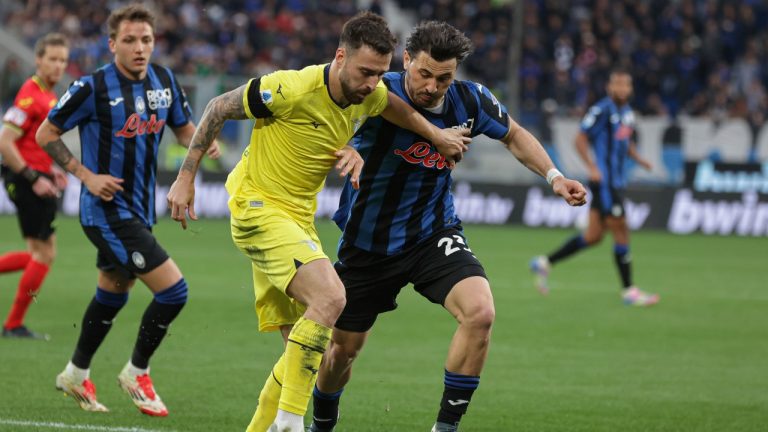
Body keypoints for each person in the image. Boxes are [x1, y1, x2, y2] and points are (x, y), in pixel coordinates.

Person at [166, 12, 471, 432]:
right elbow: (218, 107)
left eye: (380, 74)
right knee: (332, 297)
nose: (371, 83)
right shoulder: (288, 88)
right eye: (365, 71)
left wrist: (435, 136)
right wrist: (185, 178)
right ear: (340, 56)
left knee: (302, 346)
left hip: (297, 220)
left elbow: (396, 108)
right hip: (258, 208)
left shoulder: (370, 93)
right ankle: (291, 422)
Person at [307, 21, 587, 432]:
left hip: (432, 233)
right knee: (342, 353)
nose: (433, 87)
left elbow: (514, 135)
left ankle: (446, 428)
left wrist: (554, 176)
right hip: (368, 244)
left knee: (480, 313)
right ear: (406, 61)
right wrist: (345, 147)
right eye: (424, 74)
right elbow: (319, 122)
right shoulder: (375, 89)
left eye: (444, 77)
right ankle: (321, 424)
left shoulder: (470, 99)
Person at [35, 4, 220, 416]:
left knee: (113, 293)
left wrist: (203, 142)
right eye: (131, 40)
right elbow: (45, 132)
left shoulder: (164, 81)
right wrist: (86, 175)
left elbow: (184, 126)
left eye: (147, 40)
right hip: (104, 210)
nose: (140, 48)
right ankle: (137, 371)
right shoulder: (91, 87)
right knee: (174, 291)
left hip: (138, 209)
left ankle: (75, 373)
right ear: (112, 43)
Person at [530, 69, 659, 306]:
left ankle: (545, 262)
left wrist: (639, 159)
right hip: (605, 184)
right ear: (610, 87)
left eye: (625, 85)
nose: (621, 89)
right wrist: (592, 167)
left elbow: (625, 141)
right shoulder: (602, 110)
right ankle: (629, 291)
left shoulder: (627, 113)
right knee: (621, 230)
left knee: (593, 237)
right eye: (617, 84)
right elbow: (579, 139)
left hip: (617, 182)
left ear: (630, 89)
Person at [0, 33, 69, 340]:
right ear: (38, 59)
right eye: (52, 59)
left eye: (62, 60)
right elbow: (5, 142)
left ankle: (14, 324)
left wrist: (51, 169)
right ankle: (13, 325)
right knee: (43, 254)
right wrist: (34, 177)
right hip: (25, 180)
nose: (57, 66)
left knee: (41, 254)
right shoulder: (30, 95)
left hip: (37, 177)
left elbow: (33, 142)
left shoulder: (50, 96)